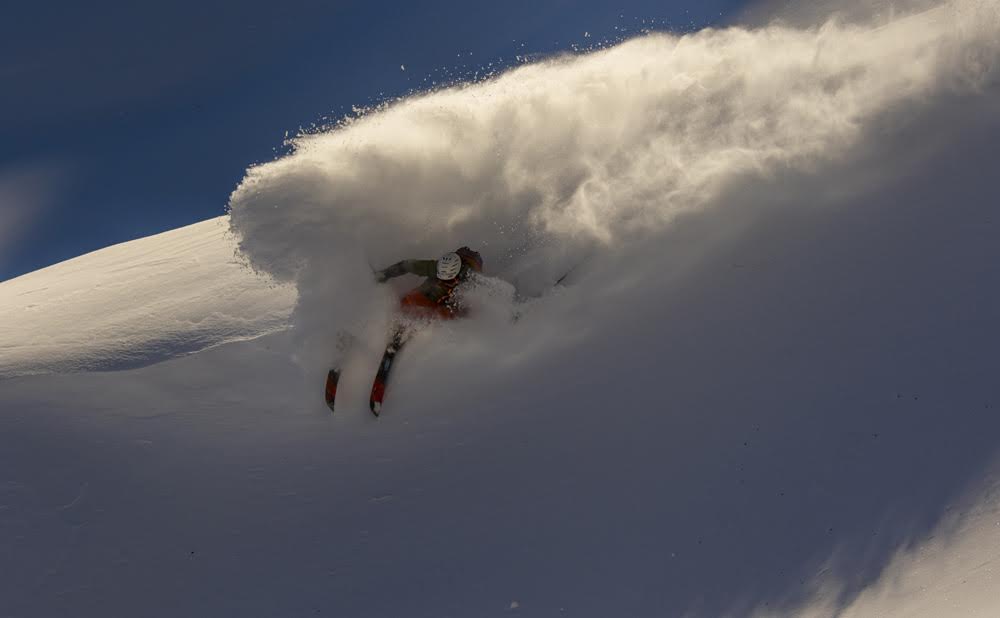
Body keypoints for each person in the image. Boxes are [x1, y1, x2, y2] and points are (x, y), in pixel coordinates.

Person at [374, 246, 484, 321]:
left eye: (448, 280)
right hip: (437, 290)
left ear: (456, 276)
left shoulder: (470, 281)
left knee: (446, 314)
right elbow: (406, 265)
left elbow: (470, 307)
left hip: (453, 299)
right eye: (441, 276)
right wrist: (385, 274)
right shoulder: (436, 267)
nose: (444, 281)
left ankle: (424, 332)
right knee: (408, 301)